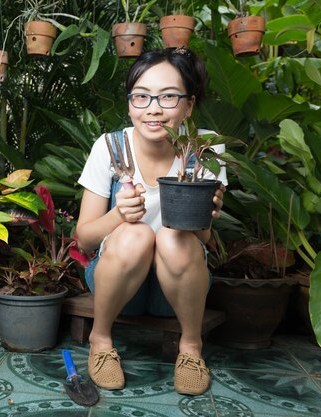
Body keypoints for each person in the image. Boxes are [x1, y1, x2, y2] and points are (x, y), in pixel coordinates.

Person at [75, 47, 226, 396]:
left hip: (177, 291)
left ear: (189, 105)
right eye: (141, 97)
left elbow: (203, 238)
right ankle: (100, 339)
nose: (153, 108)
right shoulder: (110, 148)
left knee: (175, 238)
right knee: (135, 235)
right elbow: (83, 239)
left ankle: (190, 348)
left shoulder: (206, 151)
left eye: (169, 96)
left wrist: (208, 216)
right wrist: (117, 216)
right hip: (116, 286)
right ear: (129, 104)